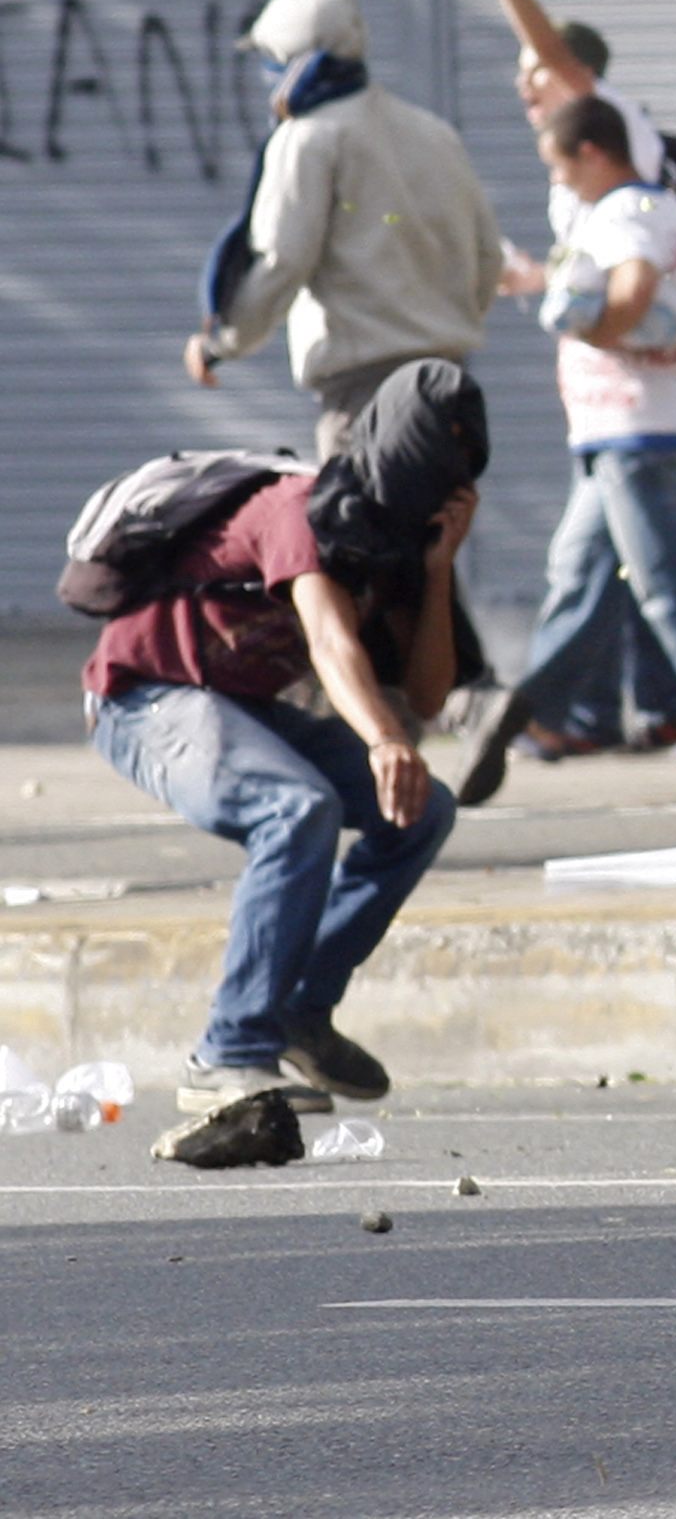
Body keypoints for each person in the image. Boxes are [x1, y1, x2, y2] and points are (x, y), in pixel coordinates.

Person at [85, 360, 486, 1118]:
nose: (443, 482)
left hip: (243, 708)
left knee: (424, 809)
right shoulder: (302, 505)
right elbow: (331, 640)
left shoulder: (405, 544)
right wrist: (383, 737)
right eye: (435, 458)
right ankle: (228, 1053)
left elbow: (431, 692)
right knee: (296, 808)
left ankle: (299, 1009)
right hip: (146, 697)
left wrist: (437, 571)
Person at [430, 0, 676, 758]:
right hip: (609, 408)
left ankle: (558, 713)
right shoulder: (579, 184)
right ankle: (603, 715)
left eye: (537, 73)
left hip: (640, 402)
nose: (526, 85)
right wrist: (534, 280)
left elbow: (556, 55)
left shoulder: (610, 124)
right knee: (611, 569)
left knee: (634, 570)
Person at [459, 96, 676, 802]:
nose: (559, 182)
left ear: (592, 153)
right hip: (639, 429)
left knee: (672, 578)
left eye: (558, 167)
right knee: (580, 571)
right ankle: (548, 716)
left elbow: (633, 290)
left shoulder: (619, 217)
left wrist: (594, 330)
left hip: (633, 428)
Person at [188, 0, 503, 458]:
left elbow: (283, 261)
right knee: (437, 531)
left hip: (365, 396)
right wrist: (439, 326)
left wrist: (222, 342)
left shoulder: (309, 139)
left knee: (363, 533)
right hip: (448, 385)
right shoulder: (434, 132)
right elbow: (485, 256)